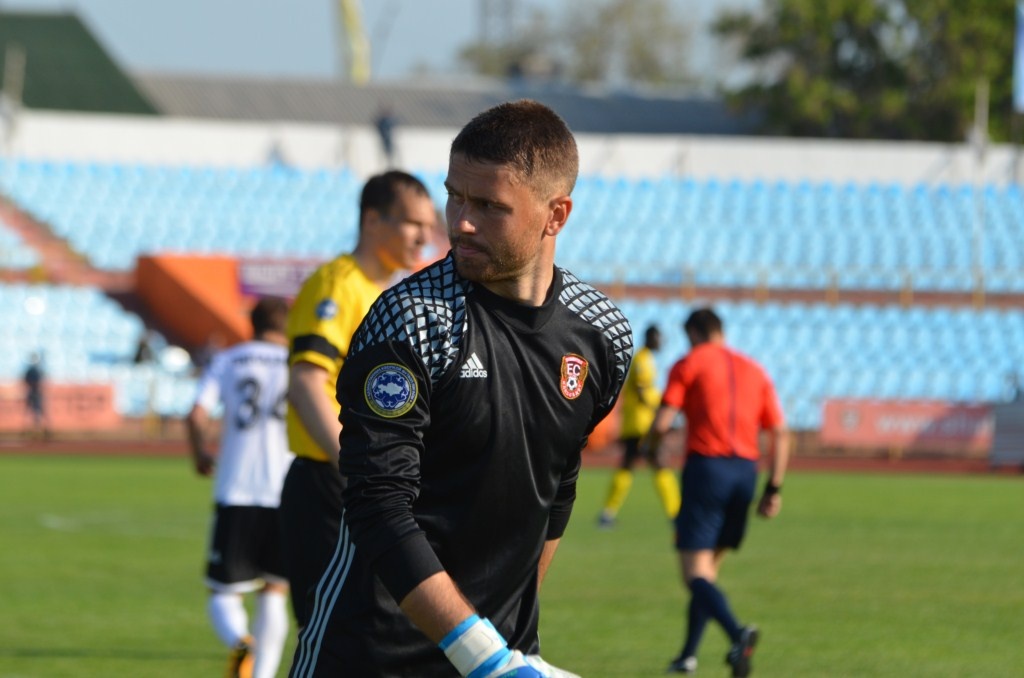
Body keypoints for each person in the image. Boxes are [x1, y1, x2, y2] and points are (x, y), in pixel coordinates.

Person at [289, 99, 633, 678]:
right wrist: (484, 654)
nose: (460, 223)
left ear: (556, 215)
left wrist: (508, 648)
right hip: (371, 658)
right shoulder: (410, 319)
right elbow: (378, 505)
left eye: (490, 206)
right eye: (456, 197)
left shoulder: (602, 335)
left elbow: (556, 486)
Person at [280, 169, 437, 629]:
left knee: (380, 631)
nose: (424, 237)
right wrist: (354, 466)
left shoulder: (390, 294)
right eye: (412, 223)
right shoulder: (338, 285)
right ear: (372, 221)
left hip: (371, 483)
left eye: (429, 226)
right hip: (331, 483)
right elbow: (306, 382)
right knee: (335, 633)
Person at [642, 307, 789, 677]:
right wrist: (773, 488)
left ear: (694, 333)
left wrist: (651, 449)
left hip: (707, 469)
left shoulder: (689, 363)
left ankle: (738, 634)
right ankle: (687, 656)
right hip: (746, 473)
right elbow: (781, 433)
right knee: (708, 572)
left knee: (694, 574)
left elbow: (662, 421)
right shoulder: (755, 369)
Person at [186, 296, 295, 678]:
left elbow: (196, 414)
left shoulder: (228, 360)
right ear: (287, 324)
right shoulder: (298, 363)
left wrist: (200, 453)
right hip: (287, 489)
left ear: (253, 323)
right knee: (275, 590)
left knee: (223, 592)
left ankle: (239, 641)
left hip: (237, 488)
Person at [597, 324, 679, 527]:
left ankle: (608, 513)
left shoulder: (646, 358)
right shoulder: (642, 359)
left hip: (638, 424)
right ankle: (676, 512)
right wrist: (660, 410)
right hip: (642, 424)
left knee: (630, 465)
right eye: (658, 337)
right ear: (651, 338)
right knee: (658, 463)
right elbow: (642, 391)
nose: (661, 342)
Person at [22, 352, 49, 440]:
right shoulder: (33, 370)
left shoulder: (36, 370)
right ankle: (32, 430)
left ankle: (39, 430)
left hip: (36, 393)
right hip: (33, 392)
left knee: (38, 412)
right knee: (33, 411)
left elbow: (42, 381)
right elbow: (26, 381)